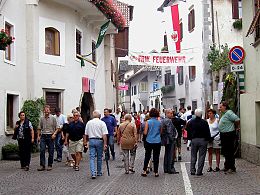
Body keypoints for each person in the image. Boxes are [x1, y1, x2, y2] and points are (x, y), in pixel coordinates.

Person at [84, 110, 108, 179]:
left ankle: (93, 173)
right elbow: (104, 134)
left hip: (91, 140)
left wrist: (85, 142)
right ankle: (99, 172)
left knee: (92, 157)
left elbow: (85, 134)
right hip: (99, 141)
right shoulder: (102, 123)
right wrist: (105, 144)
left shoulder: (89, 123)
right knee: (99, 157)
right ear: (100, 116)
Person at [186, 108, 211, 176]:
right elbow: (207, 132)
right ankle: (199, 171)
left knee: (193, 155)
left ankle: (192, 170)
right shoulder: (204, 122)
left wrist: (190, 138)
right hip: (203, 140)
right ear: (201, 115)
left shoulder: (191, 122)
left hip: (194, 140)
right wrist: (208, 139)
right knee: (202, 156)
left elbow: (187, 129)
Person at [218, 101, 240, 174]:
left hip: (229, 134)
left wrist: (236, 127)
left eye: (221, 107)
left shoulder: (229, 113)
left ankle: (232, 167)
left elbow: (237, 119)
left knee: (230, 151)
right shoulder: (224, 113)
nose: (219, 108)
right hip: (224, 134)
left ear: (225, 106)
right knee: (225, 151)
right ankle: (226, 166)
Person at [37, 105, 59, 171]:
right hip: (43, 136)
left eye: (47, 110)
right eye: (45, 110)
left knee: (51, 151)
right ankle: (42, 165)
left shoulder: (53, 118)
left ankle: (50, 165)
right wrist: (38, 136)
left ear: (49, 111)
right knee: (42, 150)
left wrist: (54, 134)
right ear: (44, 111)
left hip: (50, 136)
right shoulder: (41, 118)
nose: (46, 111)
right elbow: (39, 128)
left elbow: (57, 128)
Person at [141, 108, 162, 177]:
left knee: (147, 156)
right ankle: (156, 172)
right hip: (157, 141)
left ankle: (144, 171)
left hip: (149, 141)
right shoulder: (159, 122)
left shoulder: (148, 122)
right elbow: (161, 132)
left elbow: (145, 132)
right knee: (156, 156)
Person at [161, 109, 179, 174]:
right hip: (170, 140)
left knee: (167, 154)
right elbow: (169, 131)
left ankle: (166, 168)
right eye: (171, 113)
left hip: (166, 140)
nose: (172, 114)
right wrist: (173, 139)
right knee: (171, 154)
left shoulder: (163, 120)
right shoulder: (168, 121)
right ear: (167, 113)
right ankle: (171, 169)